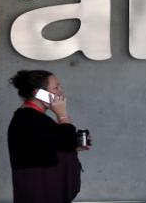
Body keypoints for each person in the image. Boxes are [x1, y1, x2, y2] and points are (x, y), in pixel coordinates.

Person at [7, 70, 88, 203]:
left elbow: (47, 146)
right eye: (56, 87)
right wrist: (62, 115)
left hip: (40, 188)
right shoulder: (29, 118)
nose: (61, 91)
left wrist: (76, 147)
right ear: (38, 93)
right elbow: (67, 142)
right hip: (41, 190)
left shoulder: (30, 117)